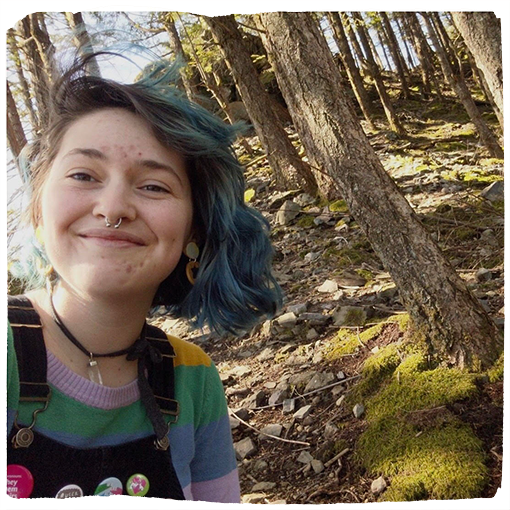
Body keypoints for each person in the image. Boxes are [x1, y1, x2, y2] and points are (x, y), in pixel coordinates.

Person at [7, 52, 282, 500]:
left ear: (195, 230)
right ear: (39, 211)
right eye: (83, 174)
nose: (113, 208)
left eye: (154, 186)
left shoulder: (194, 379)